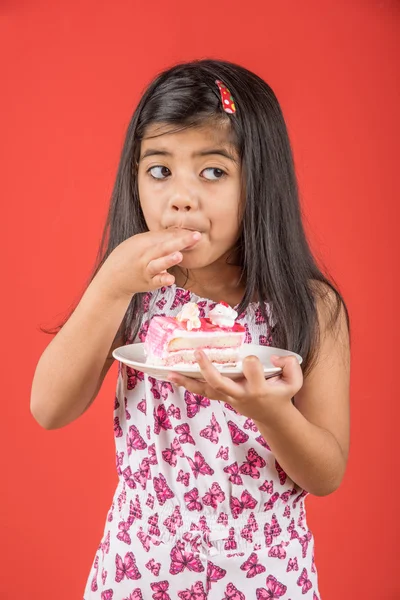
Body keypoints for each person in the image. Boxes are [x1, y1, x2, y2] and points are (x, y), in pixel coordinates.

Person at [31, 59, 350, 599]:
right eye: (160, 171)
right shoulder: (134, 289)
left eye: (213, 172)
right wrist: (109, 286)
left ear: (260, 181)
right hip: (140, 571)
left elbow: (326, 473)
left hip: (265, 578)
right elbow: (48, 407)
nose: (181, 197)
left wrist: (269, 411)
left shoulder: (309, 306)